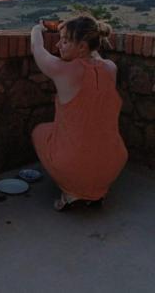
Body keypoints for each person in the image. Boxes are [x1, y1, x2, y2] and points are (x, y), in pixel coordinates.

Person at [30, 15, 128, 211]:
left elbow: (37, 49)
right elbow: (95, 58)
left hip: (74, 165)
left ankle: (71, 193)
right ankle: (95, 190)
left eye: (65, 41)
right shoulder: (111, 68)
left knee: (39, 132)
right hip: (113, 163)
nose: (58, 45)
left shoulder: (62, 70)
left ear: (82, 47)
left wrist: (36, 29)